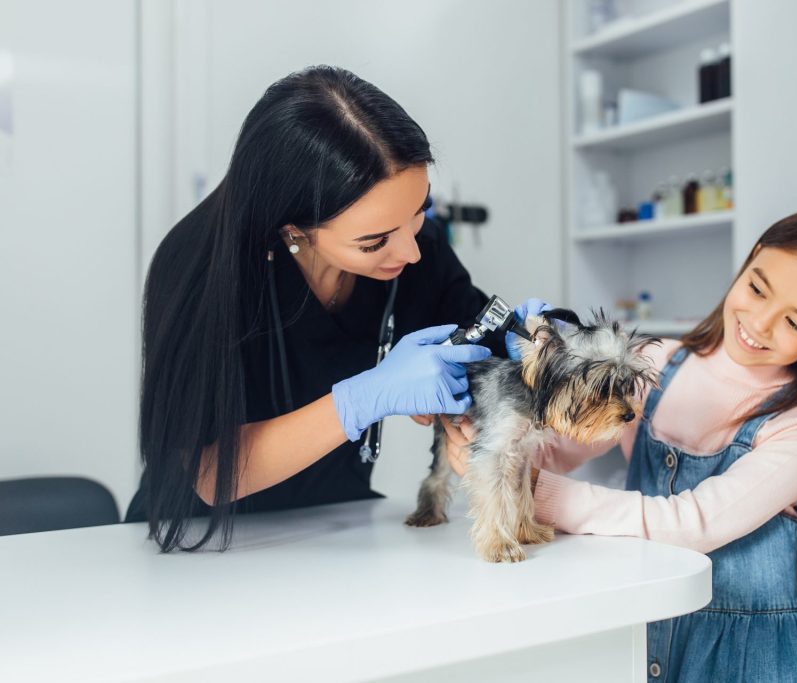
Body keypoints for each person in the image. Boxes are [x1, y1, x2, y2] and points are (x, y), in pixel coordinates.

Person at [443, 204, 797, 682]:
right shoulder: (655, 363)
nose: (760, 323)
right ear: (752, 256)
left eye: (796, 323)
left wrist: (530, 488)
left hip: (745, 661)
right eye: (758, 288)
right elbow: (555, 446)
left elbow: (691, 523)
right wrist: (489, 436)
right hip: (642, 635)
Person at [126, 66, 531, 552]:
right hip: (203, 543)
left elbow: (479, 336)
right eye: (375, 240)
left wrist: (534, 344)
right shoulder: (198, 270)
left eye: (420, 209)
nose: (411, 252)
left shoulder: (412, 246)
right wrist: (364, 398)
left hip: (339, 528)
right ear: (293, 229)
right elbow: (208, 473)